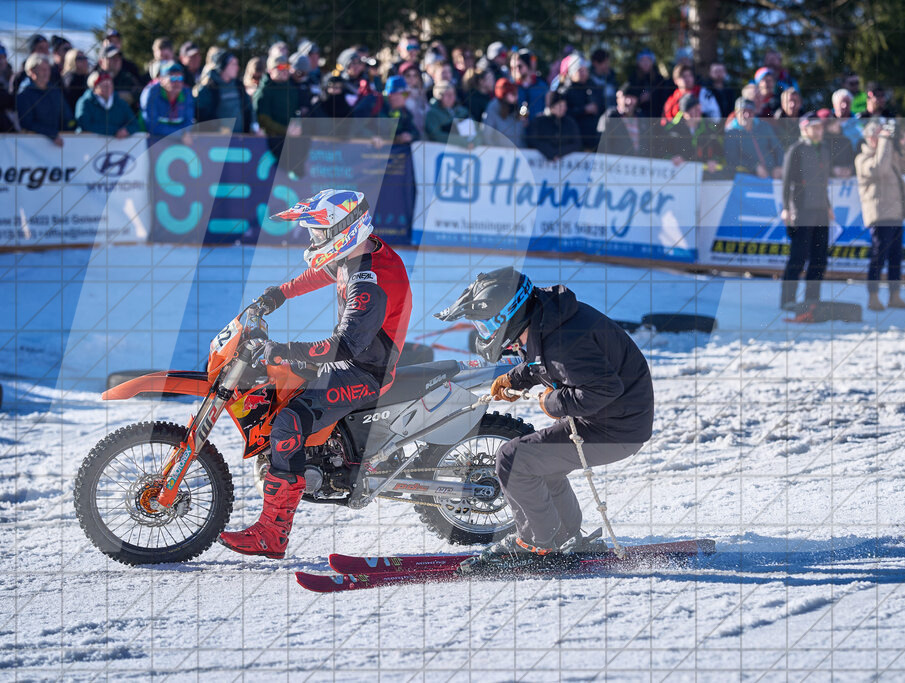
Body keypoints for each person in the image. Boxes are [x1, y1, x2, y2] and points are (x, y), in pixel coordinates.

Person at [219, 190, 412, 559]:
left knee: (289, 422)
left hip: (364, 371)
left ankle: (271, 535)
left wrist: (286, 349)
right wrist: (278, 295)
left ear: (344, 229)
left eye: (318, 234)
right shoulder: (356, 253)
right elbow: (322, 273)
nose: (314, 241)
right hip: (355, 359)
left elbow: (344, 347)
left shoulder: (369, 281)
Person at [435, 267, 654, 573]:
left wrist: (551, 403)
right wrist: (515, 378)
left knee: (513, 459)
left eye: (486, 325)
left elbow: (602, 387)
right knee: (537, 462)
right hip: (616, 418)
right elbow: (543, 361)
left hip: (617, 428)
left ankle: (535, 543)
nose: (484, 333)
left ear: (507, 316)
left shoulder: (563, 340)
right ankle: (564, 536)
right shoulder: (550, 320)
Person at [856, 121, 905, 311]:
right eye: (876, 134)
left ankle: (894, 296)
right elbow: (879, 169)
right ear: (867, 138)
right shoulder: (862, 159)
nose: (880, 138)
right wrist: (883, 140)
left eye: (880, 134)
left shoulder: (888, 155)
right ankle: (873, 296)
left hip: (896, 214)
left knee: (896, 258)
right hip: (879, 215)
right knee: (878, 257)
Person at [779, 112, 834, 310]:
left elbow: (823, 183)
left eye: (821, 127)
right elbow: (787, 183)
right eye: (815, 127)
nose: (819, 131)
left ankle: (812, 299)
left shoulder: (825, 150)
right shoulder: (796, 150)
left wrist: (828, 205)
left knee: (819, 258)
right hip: (801, 209)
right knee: (798, 256)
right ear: (804, 128)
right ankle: (788, 300)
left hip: (820, 210)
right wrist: (787, 208)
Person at [16, 53, 73, 145]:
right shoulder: (24, 94)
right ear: (31, 71)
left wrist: (72, 128)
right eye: (42, 69)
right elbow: (26, 123)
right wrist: (51, 134)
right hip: (33, 146)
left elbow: (66, 116)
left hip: (58, 143)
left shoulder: (55, 91)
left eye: (48, 69)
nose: (46, 73)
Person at [666, 93, 725, 176]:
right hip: (678, 175)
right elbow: (661, 152)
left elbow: (719, 152)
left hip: (704, 176)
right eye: (692, 110)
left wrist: (714, 160)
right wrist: (672, 158)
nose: (697, 113)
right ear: (684, 112)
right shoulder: (672, 129)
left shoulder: (709, 128)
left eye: (698, 109)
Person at [724, 97, 783, 178]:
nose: (747, 115)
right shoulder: (731, 133)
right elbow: (732, 160)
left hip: (773, 174)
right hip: (750, 177)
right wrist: (755, 167)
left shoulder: (764, 126)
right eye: (743, 111)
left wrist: (779, 166)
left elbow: (778, 148)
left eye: (750, 112)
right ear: (736, 112)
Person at [195, 51, 252, 133]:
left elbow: (248, 109)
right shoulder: (209, 88)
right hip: (217, 141)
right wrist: (217, 128)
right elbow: (201, 115)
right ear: (223, 66)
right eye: (233, 64)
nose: (237, 67)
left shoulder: (239, 85)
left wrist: (252, 127)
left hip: (240, 139)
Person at [559, 54, 604, 150]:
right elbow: (564, 113)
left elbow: (601, 107)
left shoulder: (593, 86)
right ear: (572, 73)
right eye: (580, 70)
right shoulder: (565, 91)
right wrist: (583, 110)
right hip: (574, 138)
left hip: (593, 137)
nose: (584, 73)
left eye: (585, 70)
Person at [75, 70, 138, 137]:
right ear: (95, 87)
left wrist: (127, 130)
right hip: (88, 144)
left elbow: (135, 124)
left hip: (117, 146)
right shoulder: (85, 103)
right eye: (104, 86)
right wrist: (115, 131)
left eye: (110, 84)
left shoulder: (120, 103)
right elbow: (85, 126)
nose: (108, 88)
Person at [526, 90, 582, 161]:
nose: (564, 108)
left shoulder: (570, 123)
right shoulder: (539, 121)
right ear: (552, 107)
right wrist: (550, 152)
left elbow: (576, 143)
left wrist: (559, 152)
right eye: (560, 106)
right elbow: (533, 140)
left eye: (565, 105)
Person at [141, 62, 194, 137]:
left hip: (176, 141)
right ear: (161, 80)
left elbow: (188, 122)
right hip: (149, 141)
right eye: (172, 78)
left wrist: (183, 134)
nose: (177, 82)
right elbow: (152, 127)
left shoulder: (186, 92)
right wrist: (180, 134)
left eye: (180, 78)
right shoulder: (151, 93)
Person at [662, 63, 721, 129]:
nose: (687, 79)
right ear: (675, 81)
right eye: (683, 76)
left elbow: (716, 117)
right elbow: (665, 122)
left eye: (689, 75)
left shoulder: (704, 93)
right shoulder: (672, 101)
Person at [425, 80, 475, 146]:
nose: (451, 97)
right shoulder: (432, 114)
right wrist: (461, 142)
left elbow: (475, 130)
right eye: (447, 94)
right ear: (439, 96)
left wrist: (474, 142)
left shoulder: (463, 112)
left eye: (453, 94)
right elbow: (436, 136)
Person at [481, 77, 526, 147]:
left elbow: (520, 137)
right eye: (513, 94)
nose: (517, 97)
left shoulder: (516, 108)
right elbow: (487, 135)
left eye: (516, 93)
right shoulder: (493, 108)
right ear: (504, 94)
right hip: (498, 154)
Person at [380, 75, 419, 144]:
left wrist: (410, 136)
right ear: (391, 95)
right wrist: (396, 139)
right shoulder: (376, 106)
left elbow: (415, 132)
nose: (406, 97)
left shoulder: (404, 112)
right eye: (404, 94)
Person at [512, 49, 547, 122]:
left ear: (528, 64)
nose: (516, 70)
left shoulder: (542, 85)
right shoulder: (512, 88)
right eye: (513, 67)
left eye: (520, 66)